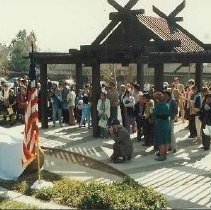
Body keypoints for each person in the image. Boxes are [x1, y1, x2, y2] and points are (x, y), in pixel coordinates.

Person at [153, 92, 171, 161]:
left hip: (160, 124)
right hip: (167, 123)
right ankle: (165, 153)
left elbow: (154, 114)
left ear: (157, 99)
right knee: (166, 139)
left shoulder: (158, 105)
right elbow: (169, 114)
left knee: (161, 141)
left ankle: (161, 155)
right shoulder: (167, 104)